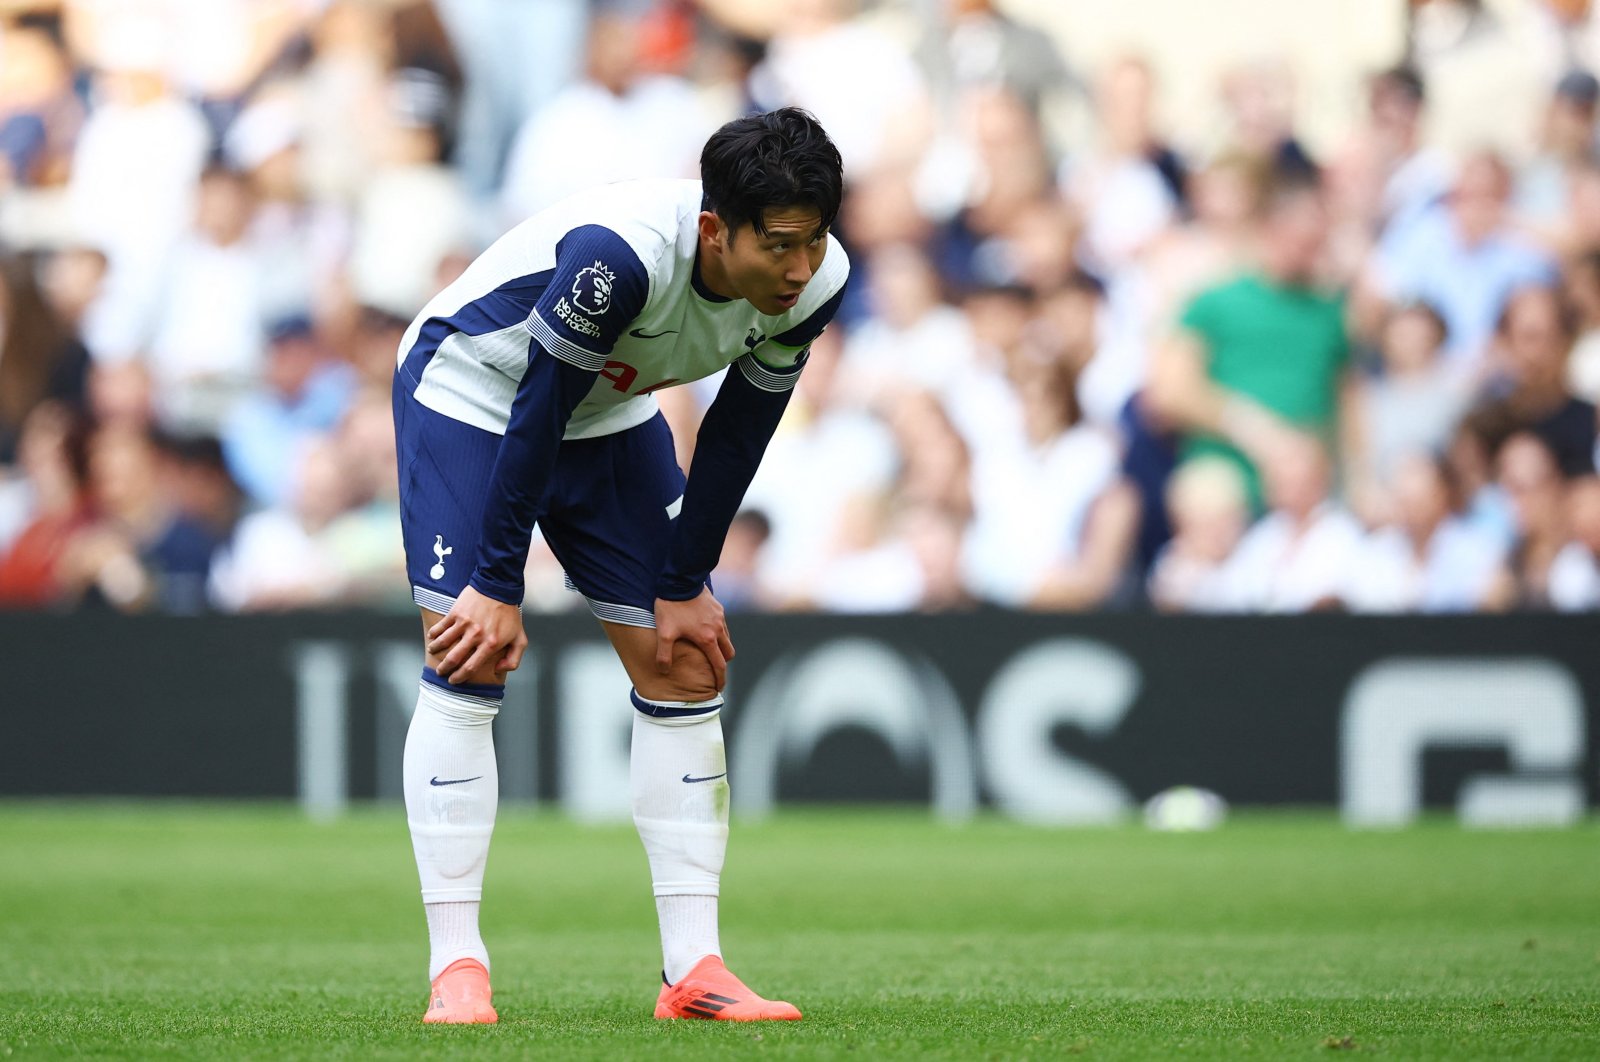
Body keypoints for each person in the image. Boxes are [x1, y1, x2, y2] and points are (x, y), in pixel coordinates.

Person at [391, 108, 847, 1024]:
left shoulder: (819, 282)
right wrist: (497, 579)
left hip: (606, 415)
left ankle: (695, 972)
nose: (801, 270)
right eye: (782, 246)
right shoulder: (619, 259)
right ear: (717, 231)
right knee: (468, 654)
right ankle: (458, 968)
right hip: (475, 392)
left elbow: (736, 436)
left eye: (816, 241)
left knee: (684, 662)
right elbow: (536, 408)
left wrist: (685, 582)